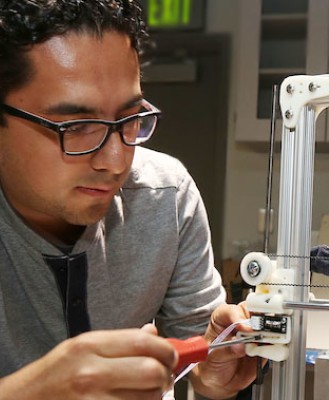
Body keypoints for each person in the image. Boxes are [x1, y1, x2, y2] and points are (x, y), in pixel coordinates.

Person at [0, 1, 257, 398]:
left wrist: (215, 366)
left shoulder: (166, 195)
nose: (117, 161)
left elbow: (201, 371)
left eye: (131, 117)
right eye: (78, 126)